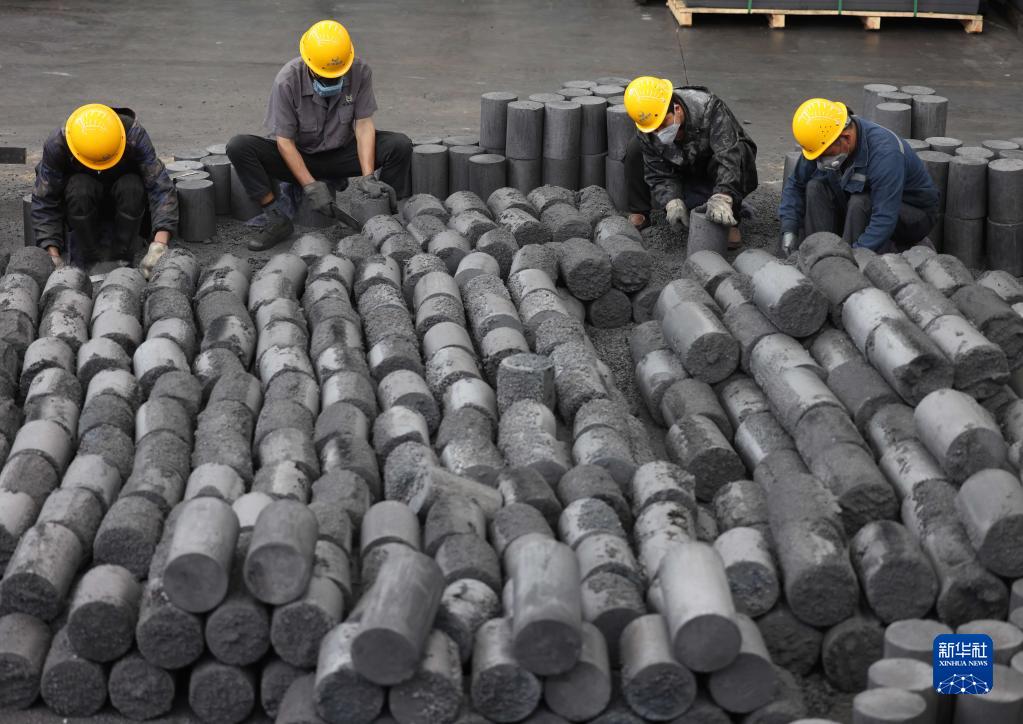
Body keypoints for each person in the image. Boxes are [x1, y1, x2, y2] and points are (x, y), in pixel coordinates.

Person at [227, 19, 412, 251]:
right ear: (309, 64)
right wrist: (311, 186)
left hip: (343, 154)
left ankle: (382, 216)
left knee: (399, 145)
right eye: (324, 76)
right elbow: (284, 142)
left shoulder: (360, 71)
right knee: (239, 146)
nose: (331, 80)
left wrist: (368, 177)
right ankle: (276, 218)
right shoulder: (287, 80)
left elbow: (364, 125)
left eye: (337, 75)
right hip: (300, 156)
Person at [779, 97, 939, 256]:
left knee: (860, 202)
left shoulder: (886, 155)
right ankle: (819, 252)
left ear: (847, 138)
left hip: (911, 215)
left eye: (826, 154)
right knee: (815, 187)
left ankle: (851, 259)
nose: (821, 160)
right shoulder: (823, 140)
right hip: (862, 205)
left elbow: (885, 217)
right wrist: (789, 229)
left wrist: (854, 255)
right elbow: (796, 184)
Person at [31, 103, 176, 277]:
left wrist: (159, 245)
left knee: (132, 186)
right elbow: (45, 199)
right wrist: (51, 254)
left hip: (124, 200)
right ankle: (88, 259)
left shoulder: (133, 135)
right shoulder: (59, 144)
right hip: (80, 203)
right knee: (79, 187)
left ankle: (123, 257)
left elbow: (161, 188)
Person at [622, 76, 758, 247]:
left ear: (677, 109)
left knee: (741, 153)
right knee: (635, 148)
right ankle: (640, 212)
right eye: (655, 129)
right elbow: (657, 172)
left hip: (714, 167)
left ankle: (731, 218)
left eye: (663, 124)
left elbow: (728, 157)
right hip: (683, 167)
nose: (659, 132)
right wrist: (672, 200)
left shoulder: (709, 108)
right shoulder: (648, 124)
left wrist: (724, 196)